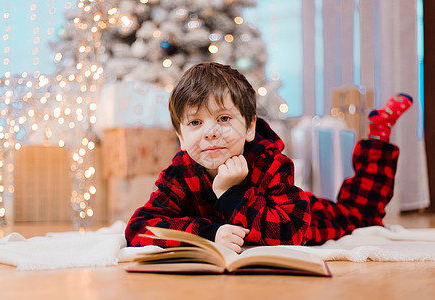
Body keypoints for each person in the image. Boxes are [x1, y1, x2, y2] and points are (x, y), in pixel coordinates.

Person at [125, 62, 413, 253]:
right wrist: (209, 234)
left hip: (309, 215)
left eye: (223, 118)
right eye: (195, 123)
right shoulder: (180, 172)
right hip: (248, 218)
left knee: (362, 215)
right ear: (180, 136)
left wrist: (230, 195)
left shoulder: (269, 161)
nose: (209, 133)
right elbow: (140, 228)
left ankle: (378, 136)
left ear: (250, 126)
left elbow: (291, 233)